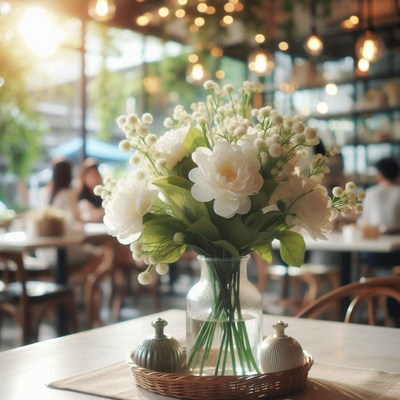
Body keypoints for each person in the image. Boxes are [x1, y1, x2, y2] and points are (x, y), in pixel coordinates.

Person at [359, 157, 400, 269]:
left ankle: (366, 285)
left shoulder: (371, 192)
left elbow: (364, 221)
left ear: (379, 174)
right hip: (397, 250)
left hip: (374, 248)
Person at [77, 158, 104, 223]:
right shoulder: (80, 194)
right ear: (84, 177)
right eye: (91, 175)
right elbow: (87, 216)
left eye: (95, 174)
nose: (94, 177)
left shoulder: (101, 193)